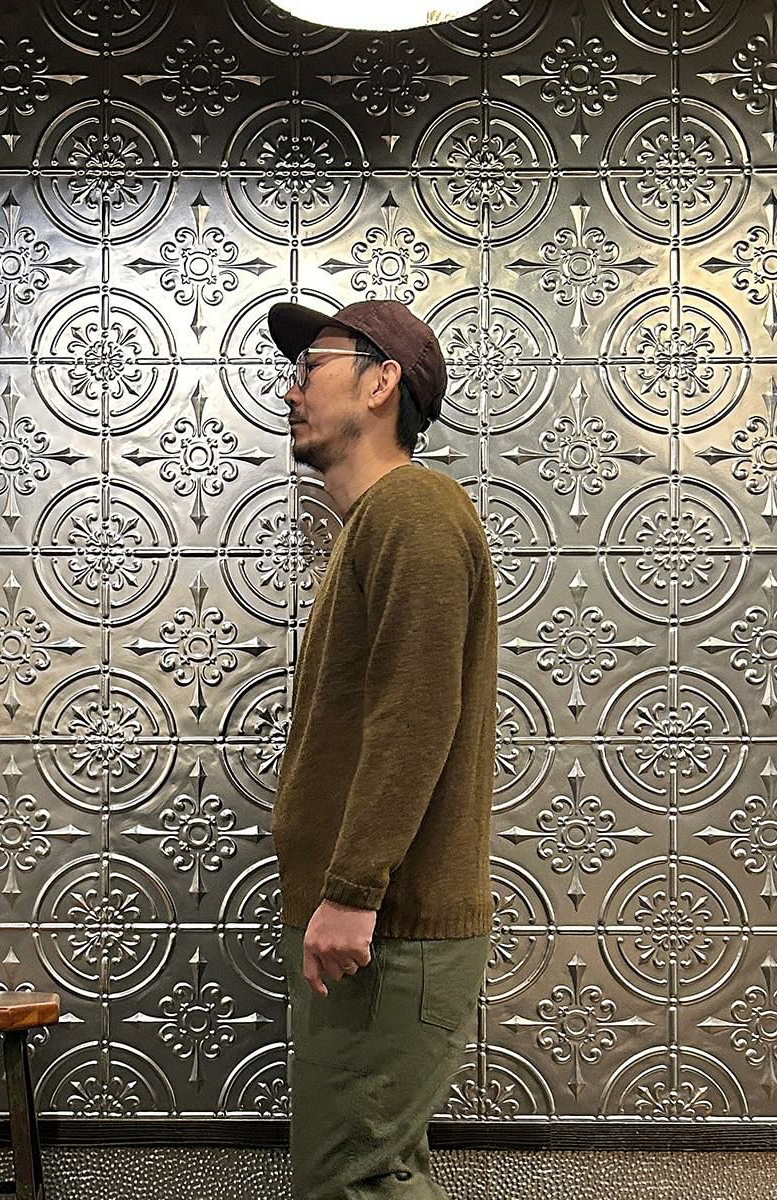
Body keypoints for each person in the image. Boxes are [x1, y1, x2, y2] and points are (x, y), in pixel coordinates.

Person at [267, 298, 498, 1199]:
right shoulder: (380, 520)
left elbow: (415, 713)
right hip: (373, 928)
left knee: (353, 1179)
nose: (291, 390)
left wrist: (354, 891)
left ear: (380, 383)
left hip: (385, 929)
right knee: (374, 1173)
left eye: (311, 366)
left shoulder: (414, 509)